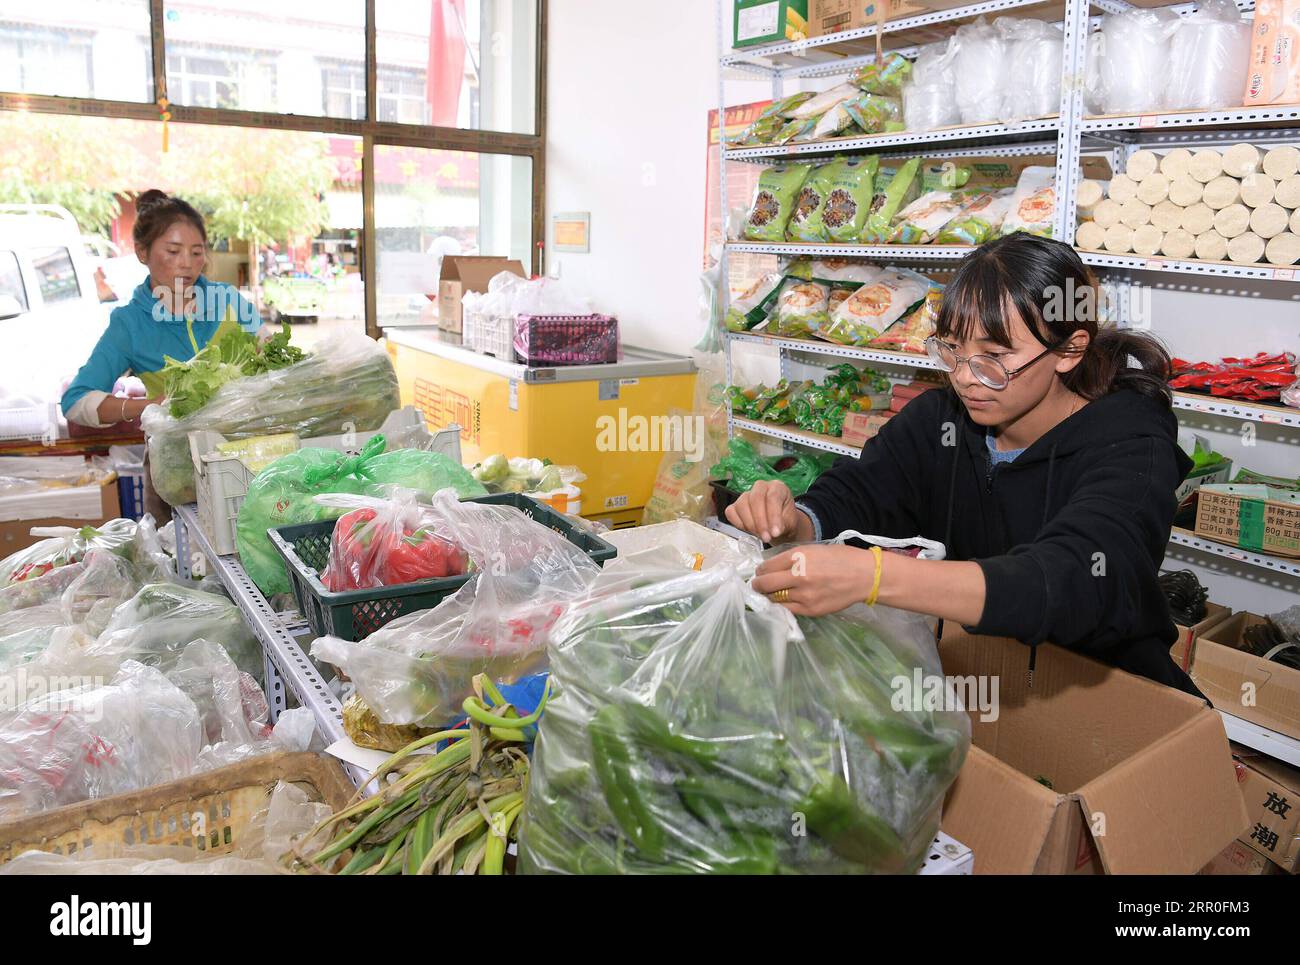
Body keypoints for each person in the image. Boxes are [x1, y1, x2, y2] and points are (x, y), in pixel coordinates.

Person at [731, 233, 1200, 696]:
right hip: (980, 676)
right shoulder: (940, 421)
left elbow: (1076, 577)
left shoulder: (1130, 444)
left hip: (1112, 696)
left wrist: (876, 577)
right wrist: (795, 521)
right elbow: (862, 493)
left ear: (1069, 350)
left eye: (994, 358)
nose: (964, 378)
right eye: (952, 349)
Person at [61, 189, 262, 518]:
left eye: (197, 252)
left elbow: (269, 352)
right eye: (173, 251)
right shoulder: (130, 324)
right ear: (142, 252)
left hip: (246, 456)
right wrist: (149, 407)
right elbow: (76, 402)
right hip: (177, 470)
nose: (188, 263)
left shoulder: (228, 301)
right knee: (184, 562)